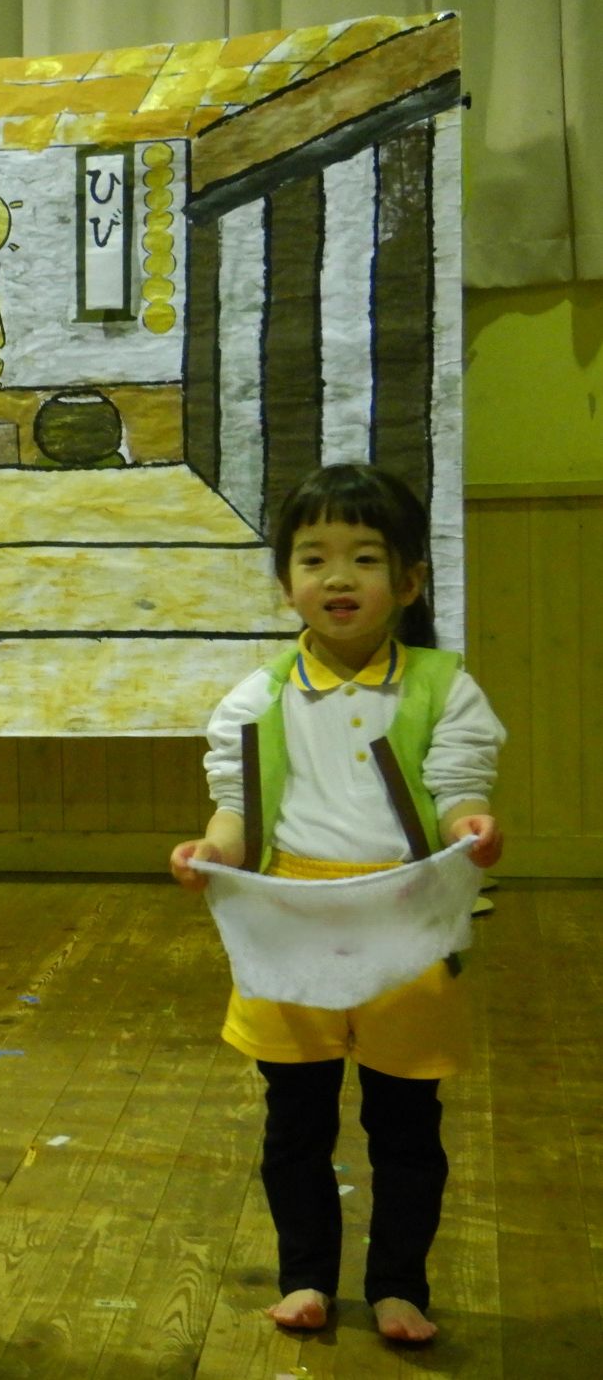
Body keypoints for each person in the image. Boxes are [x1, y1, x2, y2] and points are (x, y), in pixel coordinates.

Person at [169, 463, 504, 1344]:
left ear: (409, 582)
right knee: (294, 1123)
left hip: (407, 923)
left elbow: (457, 790)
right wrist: (211, 853)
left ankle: (398, 1286)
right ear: (286, 584)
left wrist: (471, 826)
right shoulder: (254, 696)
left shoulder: (443, 686)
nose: (337, 577)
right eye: (313, 559)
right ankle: (305, 1277)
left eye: (364, 557)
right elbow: (235, 809)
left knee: (406, 1125)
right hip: (291, 923)